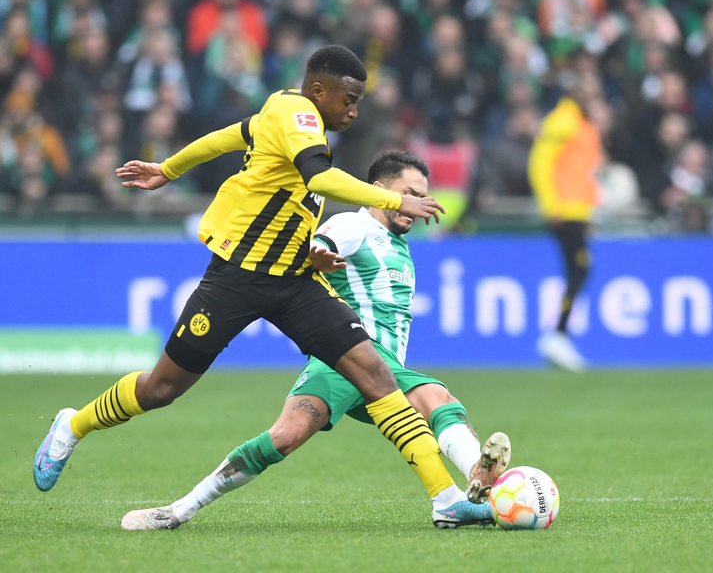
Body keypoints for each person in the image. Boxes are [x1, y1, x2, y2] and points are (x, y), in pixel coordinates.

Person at [32, 45, 485, 526]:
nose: (353, 111)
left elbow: (227, 137)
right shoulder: (297, 113)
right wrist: (390, 197)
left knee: (376, 375)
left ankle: (445, 498)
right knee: (162, 388)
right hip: (237, 277)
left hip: (293, 279)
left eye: (358, 101)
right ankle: (73, 424)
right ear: (318, 90)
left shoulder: (280, 114)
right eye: (348, 99)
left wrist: (169, 169)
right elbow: (321, 177)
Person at [120, 151, 511, 530]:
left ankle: (469, 485)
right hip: (345, 360)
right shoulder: (355, 225)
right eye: (409, 194)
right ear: (379, 190)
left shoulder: (399, 246)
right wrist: (318, 255)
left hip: (385, 374)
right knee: (285, 437)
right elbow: (319, 244)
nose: (417, 204)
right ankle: (179, 510)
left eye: (422, 195)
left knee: (437, 399)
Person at [529, 77, 601, 372]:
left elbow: (582, 172)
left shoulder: (580, 123)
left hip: (577, 210)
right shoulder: (562, 121)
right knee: (580, 268)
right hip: (565, 209)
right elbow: (539, 162)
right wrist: (550, 204)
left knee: (578, 269)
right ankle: (558, 334)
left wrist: (589, 211)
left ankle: (559, 334)